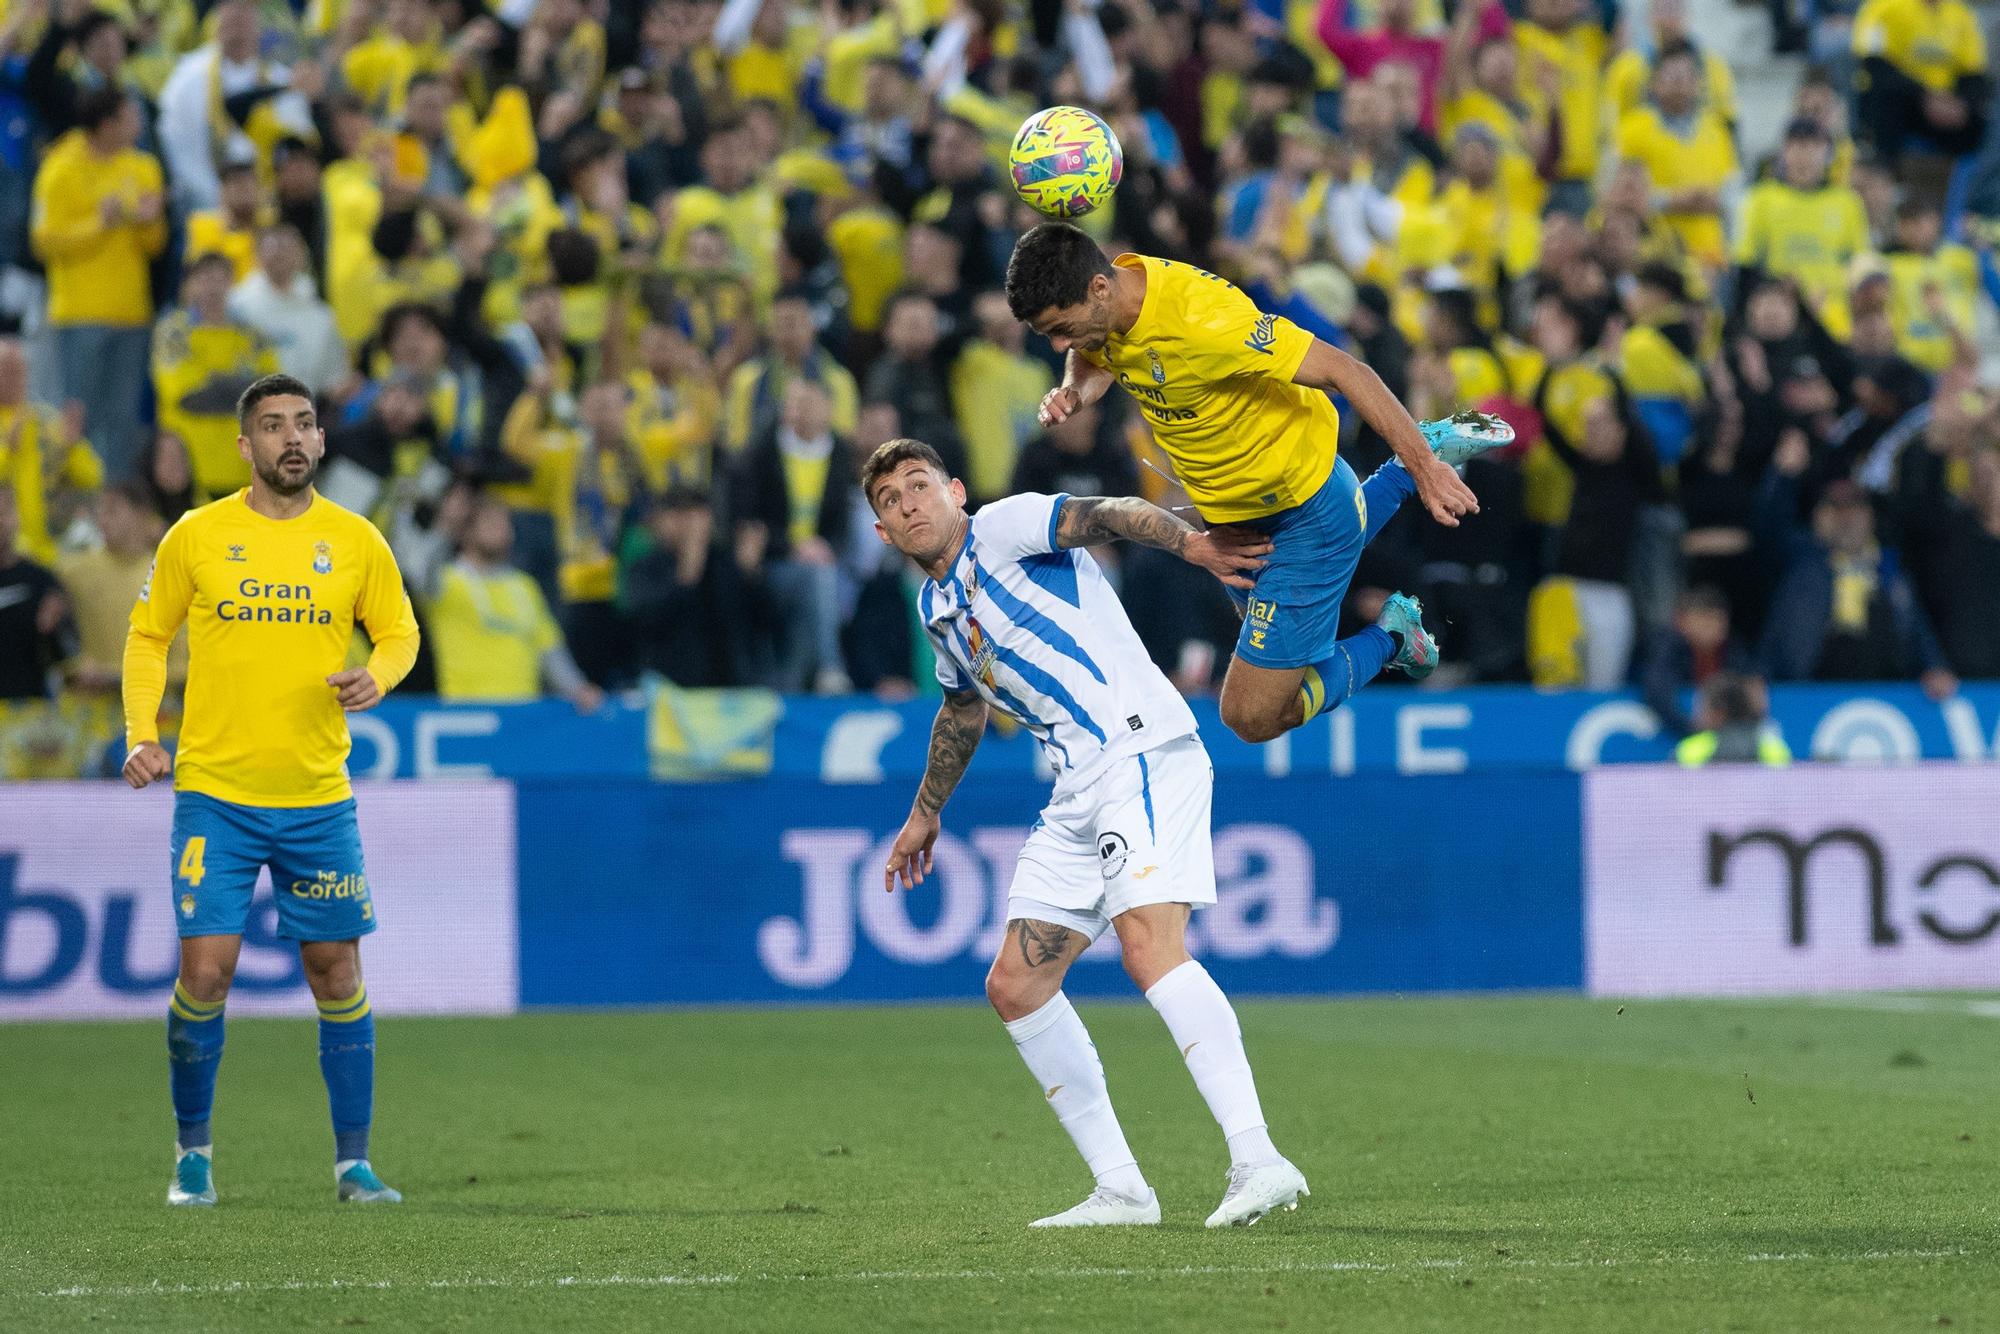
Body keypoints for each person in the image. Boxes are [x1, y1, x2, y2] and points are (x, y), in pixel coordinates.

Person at [867, 437, 1307, 1229]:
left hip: (1138, 748)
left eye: (919, 484)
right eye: (891, 500)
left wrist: (1195, 545)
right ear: (883, 533)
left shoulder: (1003, 528)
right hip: (1076, 787)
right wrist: (925, 812)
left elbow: (1111, 513)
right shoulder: (938, 609)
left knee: (1150, 948)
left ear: (955, 490)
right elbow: (965, 708)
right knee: (1016, 984)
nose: (908, 503)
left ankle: (1259, 1159)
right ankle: (1124, 1190)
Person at [1004, 222, 1498, 746]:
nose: (1059, 344)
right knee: (1291, 633)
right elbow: (1093, 353)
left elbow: (1348, 370)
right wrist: (1073, 391)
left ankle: (1394, 634)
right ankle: (1404, 468)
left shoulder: (1203, 323)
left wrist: (1425, 469)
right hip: (1236, 516)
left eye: (1061, 327)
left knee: (1253, 715)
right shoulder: (1116, 290)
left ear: (1099, 290)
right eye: (1048, 335)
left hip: (1302, 509)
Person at [121, 373, 421, 1208]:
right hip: (215, 792)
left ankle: (353, 1166)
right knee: (207, 975)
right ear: (245, 446)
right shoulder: (198, 534)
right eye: (273, 426)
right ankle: (193, 1158)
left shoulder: (356, 540)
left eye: (305, 424)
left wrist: (379, 676)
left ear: (321, 441)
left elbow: (399, 630)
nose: (293, 438)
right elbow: (148, 636)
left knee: (335, 972)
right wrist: (143, 732)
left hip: (318, 797)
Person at [425, 493, 604, 710]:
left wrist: (578, 689)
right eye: (491, 521)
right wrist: (445, 526)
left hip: (521, 719)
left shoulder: (525, 587)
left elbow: (549, 650)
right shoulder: (446, 583)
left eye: (505, 522)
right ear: (466, 532)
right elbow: (418, 568)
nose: (501, 528)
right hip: (468, 717)